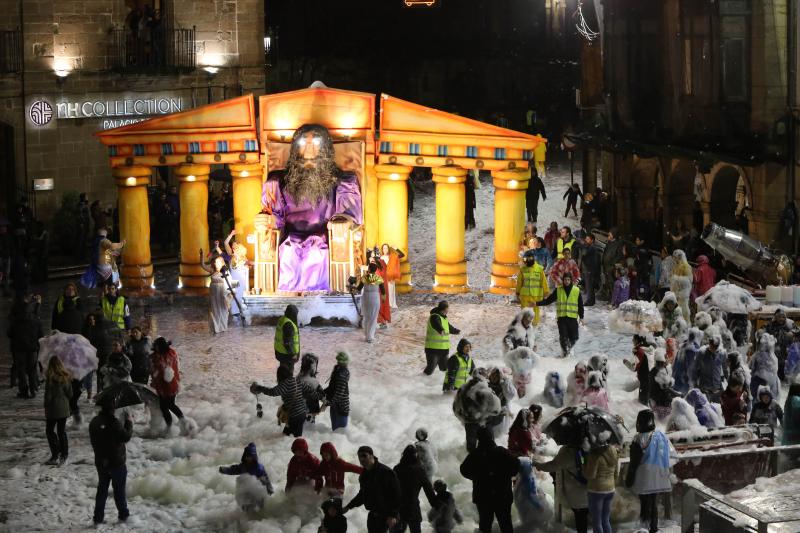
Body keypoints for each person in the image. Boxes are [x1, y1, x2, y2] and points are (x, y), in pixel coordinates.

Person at [261, 124, 362, 291]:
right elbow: (274, 216)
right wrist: (266, 219)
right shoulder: (277, 182)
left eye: (315, 142)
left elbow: (350, 214)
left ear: (325, 148)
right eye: (302, 143)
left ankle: (322, 297)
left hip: (324, 240)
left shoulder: (343, 181)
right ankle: (287, 293)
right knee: (288, 254)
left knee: (317, 255)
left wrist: (342, 220)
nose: (308, 149)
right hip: (291, 241)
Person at [459, 426, 519, 533]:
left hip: (483, 496)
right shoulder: (502, 452)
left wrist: (476, 477)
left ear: (479, 438)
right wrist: (507, 475)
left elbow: (464, 470)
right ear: (492, 437)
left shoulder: (474, 455)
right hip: (503, 495)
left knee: (485, 525)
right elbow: (516, 465)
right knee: (506, 524)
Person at [625, 409, 675, 533]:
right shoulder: (662, 436)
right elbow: (672, 455)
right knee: (653, 503)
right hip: (660, 476)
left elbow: (634, 463)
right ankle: (653, 527)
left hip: (645, 477)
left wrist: (629, 478)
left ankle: (645, 527)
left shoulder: (638, 439)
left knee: (645, 503)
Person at [89, 402, 133, 525]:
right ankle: (123, 516)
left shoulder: (94, 422)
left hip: (101, 462)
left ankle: (98, 517)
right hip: (116, 462)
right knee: (119, 491)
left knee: (102, 490)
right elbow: (126, 437)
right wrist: (128, 422)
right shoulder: (114, 423)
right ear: (112, 410)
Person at [251, 366, 324, 437]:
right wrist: (320, 397)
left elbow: (272, 392)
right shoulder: (296, 380)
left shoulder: (284, 385)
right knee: (287, 436)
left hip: (295, 415)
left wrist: (259, 388)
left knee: (293, 438)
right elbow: (310, 390)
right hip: (302, 413)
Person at [343, 446, 402, 533]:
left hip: (388, 516)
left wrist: (392, 515)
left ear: (371, 456)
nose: (361, 459)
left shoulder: (385, 472)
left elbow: (397, 494)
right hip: (374, 516)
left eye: (364, 455)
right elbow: (362, 494)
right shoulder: (364, 475)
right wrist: (349, 506)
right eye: (359, 456)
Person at [533, 444, 588, 533]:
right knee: (582, 517)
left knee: (580, 519)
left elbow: (553, 465)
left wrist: (538, 465)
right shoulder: (585, 447)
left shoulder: (569, 452)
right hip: (586, 490)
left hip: (577, 492)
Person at [536, 272, 584, 357]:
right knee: (563, 337)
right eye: (565, 279)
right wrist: (536, 303)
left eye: (568, 279)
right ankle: (566, 353)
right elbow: (548, 301)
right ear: (563, 280)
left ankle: (569, 349)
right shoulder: (558, 290)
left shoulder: (576, 291)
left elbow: (580, 305)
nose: (567, 281)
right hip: (562, 319)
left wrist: (582, 317)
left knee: (575, 337)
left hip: (572, 318)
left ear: (571, 280)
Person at [393, 445, 437, 533]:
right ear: (416, 456)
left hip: (398, 508)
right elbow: (428, 490)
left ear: (403, 455)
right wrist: (436, 505)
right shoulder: (419, 470)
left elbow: (390, 489)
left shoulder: (397, 469)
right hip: (413, 507)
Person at [219, 442, 275, 509]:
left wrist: (269, 488)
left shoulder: (259, 467)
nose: (248, 458)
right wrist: (225, 470)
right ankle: (248, 513)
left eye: (250, 457)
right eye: (247, 456)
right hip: (246, 490)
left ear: (254, 457)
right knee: (246, 504)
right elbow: (234, 469)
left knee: (259, 504)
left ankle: (259, 512)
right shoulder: (243, 466)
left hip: (257, 490)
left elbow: (265, 478)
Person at [150, 337, 188, 433]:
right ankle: (171, 425)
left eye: (157, 346)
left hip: (170, 384)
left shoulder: (170, 354)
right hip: (161, 385)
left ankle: (182, 422)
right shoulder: (156, 355)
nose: (155, 347)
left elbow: (165, 367)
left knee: (170, 404)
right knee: (164, 407)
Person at [8, 296, 43, 399]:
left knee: (21, 370)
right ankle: (33, 390)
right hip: (32, 349)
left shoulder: (15, 321)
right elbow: (40, 334)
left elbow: (9, 333)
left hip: (19, 349)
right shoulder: (36, 320)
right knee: (32, 370)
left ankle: (23, 391)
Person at [43, 356, 73, 466]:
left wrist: (46, 405)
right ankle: (64, 454)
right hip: (64, 408)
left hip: (52, 409)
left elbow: (48, 396)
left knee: (50, 431)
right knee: (62, 432)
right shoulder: (66, 377)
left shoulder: (50, 378)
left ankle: (55, 453)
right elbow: (70, 394)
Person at [584, 443, 619, 533]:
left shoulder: (594, 454)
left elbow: (591, 475)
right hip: (610, 489)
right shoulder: (613, 451)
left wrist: (584, 467)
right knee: (605, 520)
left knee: (597, 522)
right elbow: (616, 473)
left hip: (596, 491)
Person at [200, 249, 235, 334]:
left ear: (221, 263)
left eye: (217, 262)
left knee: (222, 309)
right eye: (215, 262)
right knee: (214, 309)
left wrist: (230, 292)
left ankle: (222, 327)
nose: (215, 263)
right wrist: (201, 256)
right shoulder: (212, 270)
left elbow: (231, 282)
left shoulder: (225, 271)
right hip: (213, 292)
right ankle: (215, 327)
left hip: (222, 292)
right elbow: (203, 265)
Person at [423, 301, 460, 375]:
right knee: (431, 368)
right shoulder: (434, 316)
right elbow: (436, 324)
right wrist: (441, 330)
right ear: (445, 308)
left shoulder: (444, 318)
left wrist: (456, 331)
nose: (448, 310)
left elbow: (449, 328)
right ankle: (420, 382)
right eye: (448, 308)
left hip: (443, 349)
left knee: (445, 369)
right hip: (433, 349)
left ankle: (440, 384)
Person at [691, 334, 728, 402]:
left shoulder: (722, 354)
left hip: (717, 387)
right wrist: (695, 383)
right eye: (712, 346)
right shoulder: (702, 352)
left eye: (715, 347)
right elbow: (695, 368)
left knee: (716, 409)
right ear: (709, 344)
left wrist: (727, 380)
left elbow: (725, 369)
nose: (713, 349)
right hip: (704, 388)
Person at [516, 251, 548, 325]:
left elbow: (543, 281)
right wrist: (517, 293)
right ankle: (524, 327)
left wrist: (546, 291)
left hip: (535, 296)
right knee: (524, 312)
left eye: (526, 259)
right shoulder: (522, 269)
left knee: (535, 312)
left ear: (532, 259)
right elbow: (519, 282)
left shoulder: (539, 269)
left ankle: (534, 327)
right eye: (524, 260)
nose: (525, 262)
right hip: (525, 296)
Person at [765, 309, 796, 381]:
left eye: (783, 317)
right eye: (779, 317)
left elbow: (797, 330)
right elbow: (763, 330)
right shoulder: (770, 324)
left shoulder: (790, 324)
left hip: (785, 349)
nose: (781, 319)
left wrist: (793, 333)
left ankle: (783, 378)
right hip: (774, 350)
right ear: (775, 317)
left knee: (783, 366)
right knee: (774, 366)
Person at [358, 261, 385, 342]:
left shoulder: (364, 277)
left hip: (366, 297)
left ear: (369, 269)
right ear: (376, 269)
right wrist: (384, 298)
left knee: (366, 316)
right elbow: (383, 291)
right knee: (373, 317)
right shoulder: (378, 278)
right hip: (375, 297)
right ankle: (370, 337)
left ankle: (367, 335)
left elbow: (359, 288)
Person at [324, 351, 351, 431]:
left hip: (338, 406)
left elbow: (337, 391)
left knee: (336, 430)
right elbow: (336, 390)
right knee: (339, 432)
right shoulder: (341, 372)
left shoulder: (338, 372)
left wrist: (329, 401)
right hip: (340, 407)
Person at [223, 229, 250, 310]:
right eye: (232, 246)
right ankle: (235, 313)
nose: (233, 247)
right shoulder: (231, 256)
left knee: (242, 295)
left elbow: (247, 267)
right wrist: (231, 235)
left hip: (242, 280)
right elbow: (225, 243)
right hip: (234, 280)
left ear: (239, 247)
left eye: (235, 246)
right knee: (235, 295)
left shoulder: (243, 257)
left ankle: (242, 311)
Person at [749, 332, 781, 400]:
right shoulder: (774, 357)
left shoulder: (757, 355)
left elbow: (752, 368)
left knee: (758, 400)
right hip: (772, 382)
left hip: (759, 382)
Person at [673, 328, 702, 395]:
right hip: (684, 381)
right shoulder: (693, 349)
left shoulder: (683, 345)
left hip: (677, 378)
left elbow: (675, 363)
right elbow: (690, 367)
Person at [275, 304, 300, 377]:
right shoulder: (289, 324)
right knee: (288, 375)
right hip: (287, 356)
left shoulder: (282, 319)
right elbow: (287, 342)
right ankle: (287, 387)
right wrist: (293, 354)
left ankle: (281, 386)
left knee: (282, 374)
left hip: (281, 353)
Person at [601, 228, 625, 300]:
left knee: (613, 283)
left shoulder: (618, 244)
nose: (609, 234)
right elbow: (605, 253)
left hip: (612, 267)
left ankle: (614, 299)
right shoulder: (609, 243)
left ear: (614, 234)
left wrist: (613, 264)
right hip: (606, 266)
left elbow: (619, 255)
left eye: (611, 233)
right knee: (608, 283)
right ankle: (610, 297)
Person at [298, 353, 322, 423]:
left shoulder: (299, 377)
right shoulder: (312, 380)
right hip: (309, 411)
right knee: (308, 427)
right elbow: (321, 393)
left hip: (299, 411)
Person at [670, 250, 693, 320]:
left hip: (683, 295)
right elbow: (672, 279)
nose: (674, 259)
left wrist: (677, 279)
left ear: (679, 257)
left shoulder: (686, 266)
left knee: (684, 312)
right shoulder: (675, 267)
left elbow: (690, 280)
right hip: (675, 294)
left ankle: (686, 327)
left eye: (675, 257)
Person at [380, 243, 405, 309]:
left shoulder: (392, 256)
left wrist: (396, 248)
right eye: (384, 248)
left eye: (386, 248)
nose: (385, 249)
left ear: (388, 249)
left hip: (391, 276)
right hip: (383, 277)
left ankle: (391, 304)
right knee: (384, 291)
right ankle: (385, 305)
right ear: (382, 249)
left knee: (391, 291)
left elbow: (402, 255)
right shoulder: (380, 257)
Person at [578, 233, 600, 306]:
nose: (586, 240)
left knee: (589, 286)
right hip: (587, 269)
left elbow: (584, 254)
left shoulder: (592, 248)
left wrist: (583, 245)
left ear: (592, 240)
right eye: (586, 239)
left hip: (589, 269)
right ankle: (591, 300)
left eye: (588, 239)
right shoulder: (589, 247)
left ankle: (589, 301)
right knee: (589, 286)